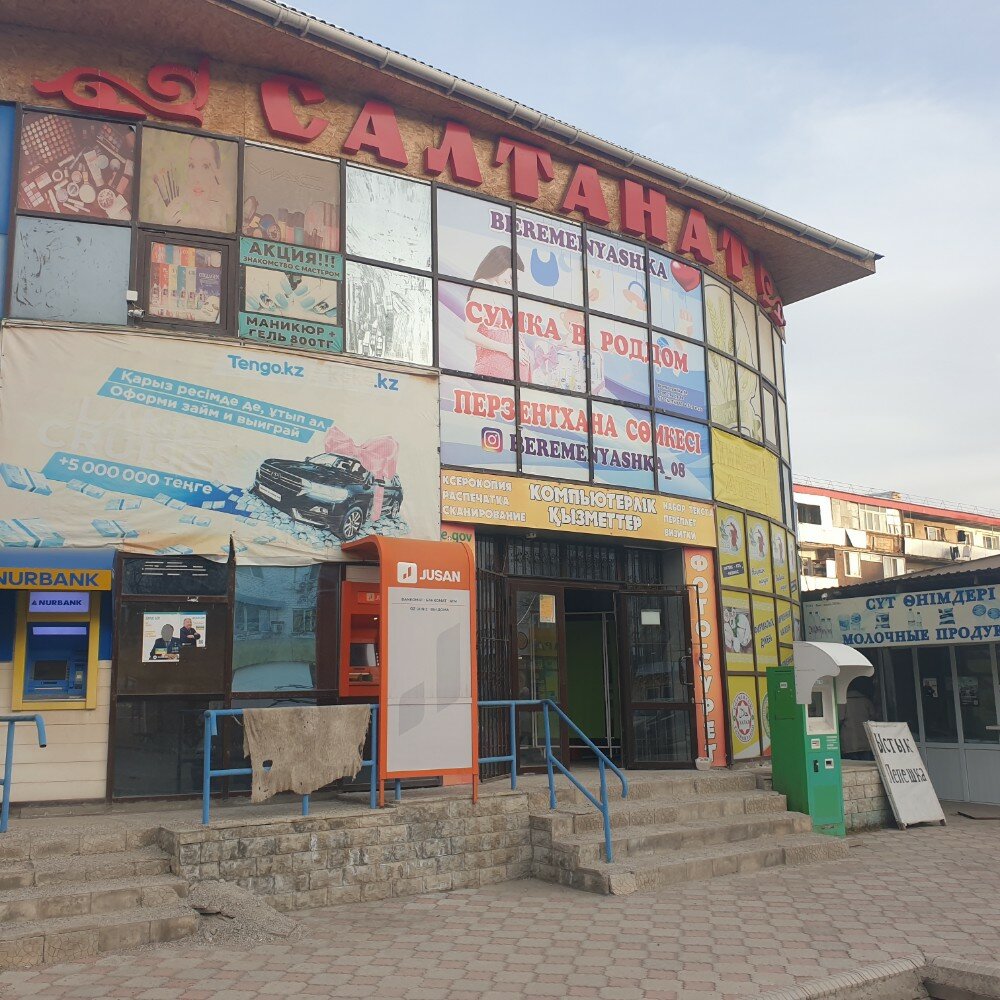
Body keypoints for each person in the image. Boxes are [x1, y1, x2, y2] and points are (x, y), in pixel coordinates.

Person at [463, 247, 528, 380]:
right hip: (494, 372)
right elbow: (470, 333)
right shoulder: (483, 287)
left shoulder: (495, 293)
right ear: (500, 265)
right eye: (511, 276)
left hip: (507, 378)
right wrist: (508, 349)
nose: (512, 281)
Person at [165, 136, 231, 232]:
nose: (197, 177)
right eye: (191, 165)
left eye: (205, 166)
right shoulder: (175, 210)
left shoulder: (222, 211)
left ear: (217, 173)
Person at [840, 677, 877, 760]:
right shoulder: (866, 701)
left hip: (849, 741)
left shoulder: (844, 702)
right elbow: (873, 717)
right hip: (865, 738)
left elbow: (840, 718)